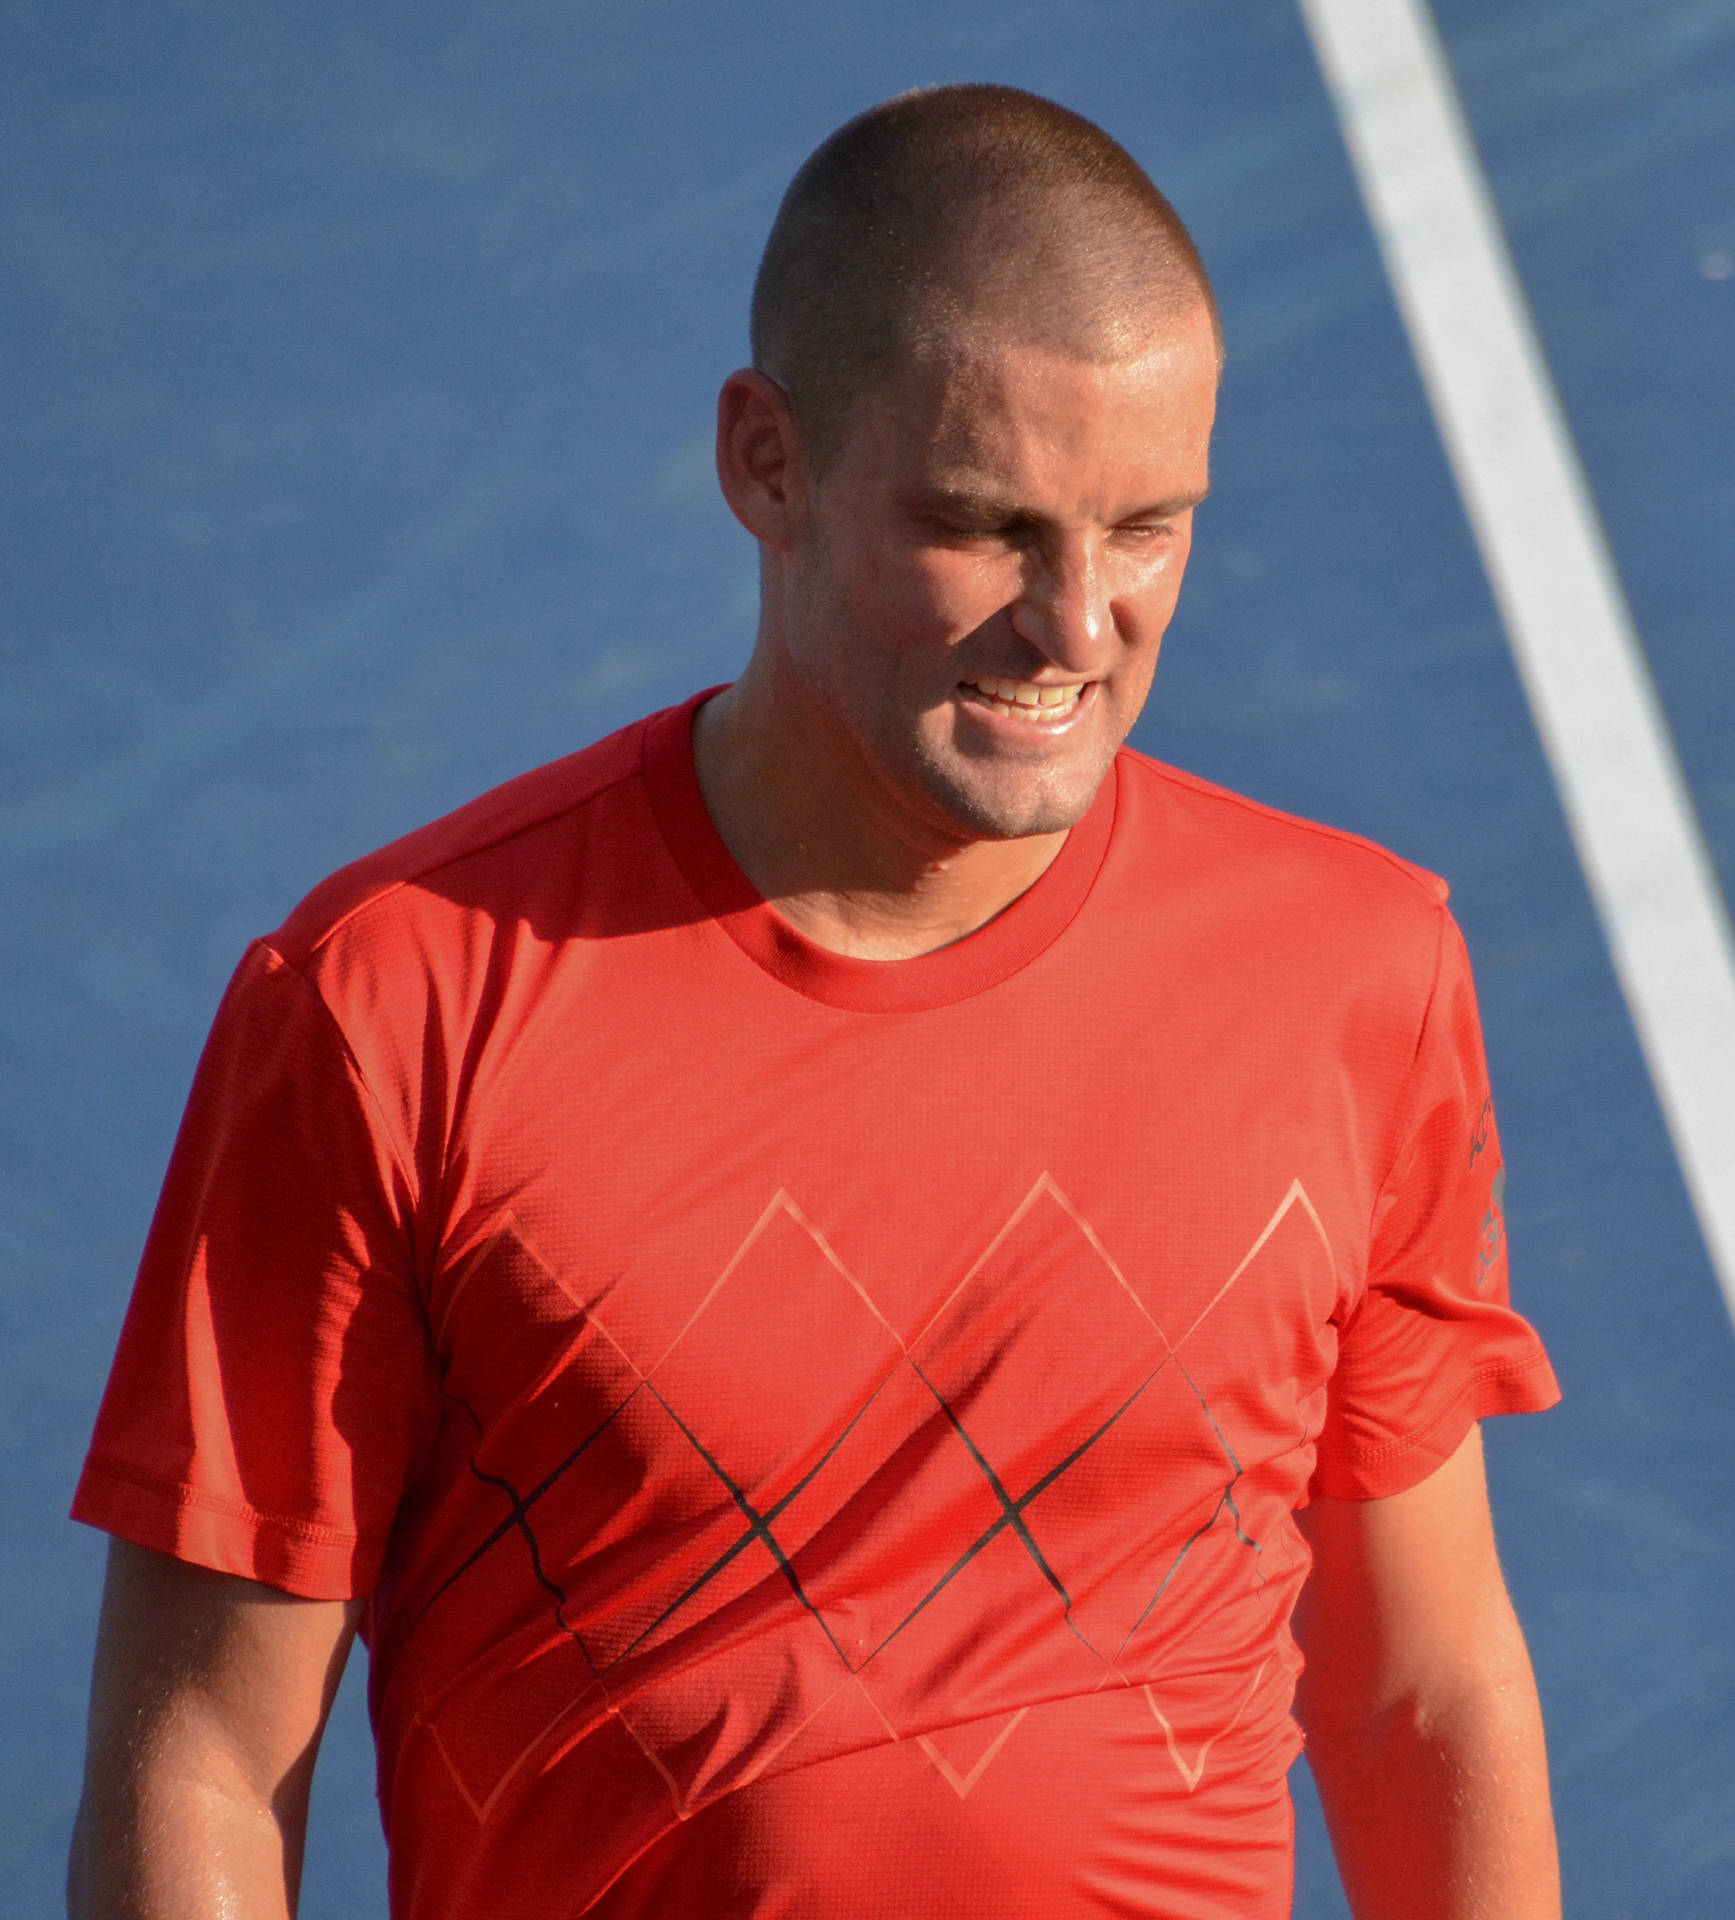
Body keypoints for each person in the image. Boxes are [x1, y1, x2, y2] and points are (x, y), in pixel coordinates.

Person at [68, 83, 1562, 1920]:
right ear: (765, 462)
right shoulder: (397, 1000)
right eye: (988, 527)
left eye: (1150, 526)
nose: (1082, 628)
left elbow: (1420, 1687)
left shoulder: (1355, 966)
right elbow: (205, 1757)